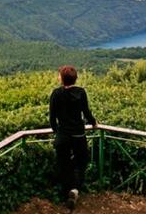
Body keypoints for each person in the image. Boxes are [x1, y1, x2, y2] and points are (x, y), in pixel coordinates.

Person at [49, 65, 97, 210]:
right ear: (75, 78)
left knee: (64, 164)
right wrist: (94, 122)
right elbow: (86, 113)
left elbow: (52, 117)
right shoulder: (81, 92)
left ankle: (66, 193)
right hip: (78, 135)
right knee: (81, 162)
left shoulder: (56, 94)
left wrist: (56, 131)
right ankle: (75, 190)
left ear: (62, 79)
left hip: (63, 136)